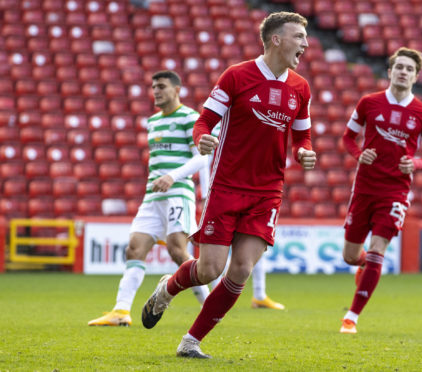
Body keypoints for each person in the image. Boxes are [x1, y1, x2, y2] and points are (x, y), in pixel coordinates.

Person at [141, 11, 315, 359]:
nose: (305, 44)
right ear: (276, 40)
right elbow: (204, 121)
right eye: (298, 36)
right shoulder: (237, 76)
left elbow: (303, 136)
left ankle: (191, 341)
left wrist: (305, 152)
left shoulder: (300, 87)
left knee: (241, 271)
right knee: (209, 270)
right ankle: (166, 290)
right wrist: (203, 138)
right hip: (228, 186)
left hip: (267, 191)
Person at [88, 70, 211, 326]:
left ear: (176, 90)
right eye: (154, 87)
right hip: (152, 197)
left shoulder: (190, 118)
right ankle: (121, 311)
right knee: (135, 247)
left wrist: (173, 176)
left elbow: (202, 156)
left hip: (178, 193)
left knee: (178, 251)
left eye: (162, 86)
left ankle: (209, 307)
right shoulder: (153, 121)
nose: (156, 91)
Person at [339, 47, 422, 334]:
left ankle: (352, 317)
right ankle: (364, 264)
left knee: (378, 249)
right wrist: (359, 154)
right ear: (390, 71)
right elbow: (347, 138)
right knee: (350, 256)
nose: (403, 72)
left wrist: (416, 163)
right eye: (400, 67)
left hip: (395, 191)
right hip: (364, 188)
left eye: (409, 68)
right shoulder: (368, 103)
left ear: (416, 76)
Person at [197, 122, 285, 310]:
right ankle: (216, 295)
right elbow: (205, 160)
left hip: (252, 193)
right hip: (224, 194)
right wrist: (206, 194)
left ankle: (259, 295)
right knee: (216, 253)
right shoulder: (222, 124)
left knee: (254, 246)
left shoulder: (255, 121)